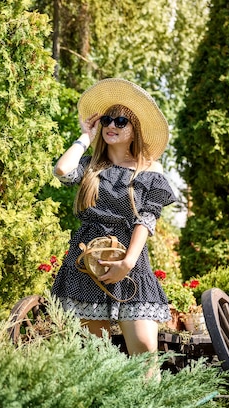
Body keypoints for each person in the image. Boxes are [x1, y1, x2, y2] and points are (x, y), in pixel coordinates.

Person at [51, 78, 176, 356]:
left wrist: (127, 263)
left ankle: (149, 401)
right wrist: (85, 136)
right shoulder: (90, 167)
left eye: (121, 121)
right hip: (87, 262)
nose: (111, 126)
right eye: (107, 120)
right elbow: (61, 170)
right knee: (94, 351)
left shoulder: (148, 168)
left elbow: (146, 219)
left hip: (131, 257)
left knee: (144, 346)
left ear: (135, 131)